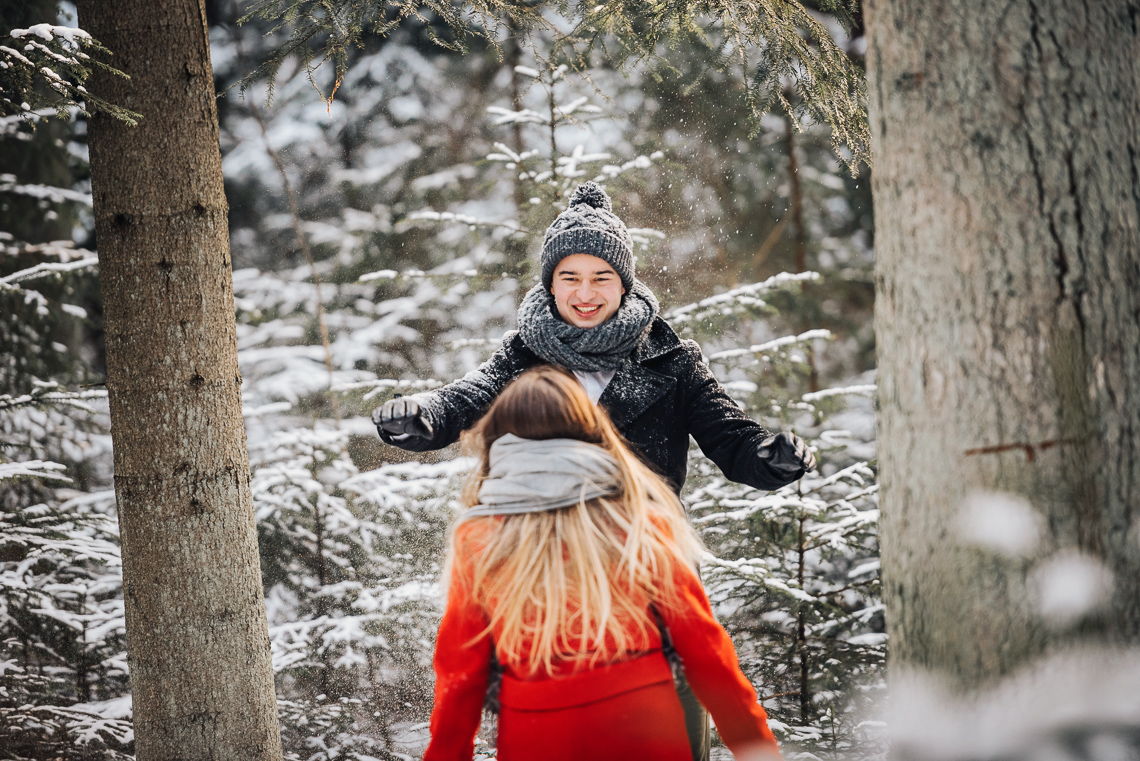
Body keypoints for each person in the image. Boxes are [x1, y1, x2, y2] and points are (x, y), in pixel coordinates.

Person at [375, 180, 815, 760]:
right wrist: (423, 416)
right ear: (550, 282)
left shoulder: (670, 359)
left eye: (601, 277)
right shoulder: (523, 356)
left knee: (682, 697)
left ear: (624, 282)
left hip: (643, 559)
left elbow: (730, 438)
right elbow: (468, 397)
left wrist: (770, 458)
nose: (585, 294)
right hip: (543, 568)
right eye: (570, 278)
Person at [423, 367, 783, 761]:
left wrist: (446, 754)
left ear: (499, 440)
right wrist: (758, 751)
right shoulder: (641, 520)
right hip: (646, 731)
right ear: (591, 432)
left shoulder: (479, 535)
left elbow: (461, 674)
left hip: (537, 735)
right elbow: (706, 652)